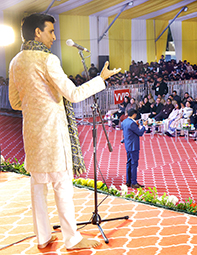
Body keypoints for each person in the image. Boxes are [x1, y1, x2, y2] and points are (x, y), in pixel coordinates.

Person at [8, 13, 121, 250]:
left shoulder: (15, 61)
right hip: (54, 135)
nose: (54, 36)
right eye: (50, 31)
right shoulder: (48, 60)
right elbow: (74, 94)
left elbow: (15, 103)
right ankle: (72, 239)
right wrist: (101, 79)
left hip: (31, 133)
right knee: (62, 187)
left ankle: (43, 237)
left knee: (38, 187)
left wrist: (37, 102)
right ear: (37, 32)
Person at [121, 109, 147, 188]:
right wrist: (144, 126)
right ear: (134, 115)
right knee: (134, 164)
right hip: (133, 146)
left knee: (128, 163)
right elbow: (140, 133)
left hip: (128, 145)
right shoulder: (132, 123)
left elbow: (129, 130)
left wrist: (136, 125)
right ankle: (134, 182)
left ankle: (128, 181)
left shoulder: (124, 122)